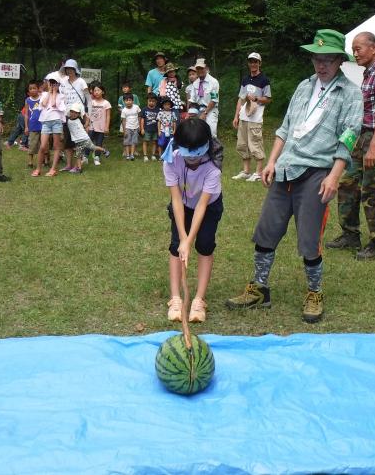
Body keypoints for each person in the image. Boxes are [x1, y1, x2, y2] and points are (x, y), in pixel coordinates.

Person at [226, 29, 362, 324]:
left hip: (317, 172)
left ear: (340, 60)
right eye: (317, 58)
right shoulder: (304, 86)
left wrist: (334, 176)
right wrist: (271, 161)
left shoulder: (350, 93)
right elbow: (285, 128)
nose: (321, 65)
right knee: (267, 230)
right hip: (285, 169)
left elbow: (348, 139)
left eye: (328, 59)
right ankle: (260, 288)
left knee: (310, 238)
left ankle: (314, 292)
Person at [327, 31, 375, 259]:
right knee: (347, 184)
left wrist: (374, 145)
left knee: (373, 190)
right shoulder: (368, 74)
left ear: (373, 48)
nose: (355, 53)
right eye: (353, 49)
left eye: (359, 49)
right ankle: (350, 234)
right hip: (360, 136)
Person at [162, 118, 223, 323]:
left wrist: (190, 241)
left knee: (204, 246)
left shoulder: (213, 168)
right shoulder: (171, 160)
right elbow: (176, 199)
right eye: (189, 157)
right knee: (176, 246)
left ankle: (198, 299)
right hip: (183, 205)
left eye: (196, 157)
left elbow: (202, 206)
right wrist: (183, 238)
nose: (192, 161)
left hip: (208, 206)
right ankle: (176, 298)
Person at [232, 52, 272, 182]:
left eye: (255, 62)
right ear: (248, 63)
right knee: (242, 144)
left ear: (260, 63)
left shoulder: (264, 80)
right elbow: (241, 99)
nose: (253, 64)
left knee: (255, 144)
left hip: (255, 118)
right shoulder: (245, 79)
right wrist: (236, 116)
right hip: (244, 117)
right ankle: (246, 171)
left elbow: (268, 99)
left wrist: (256, 98)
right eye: (251, 61)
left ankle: (258, 172)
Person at [34, 75, 67, 177]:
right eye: (50, 83)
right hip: (46, 122)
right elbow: (43, 104)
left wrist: (54, 92)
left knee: (56, 146)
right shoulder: (44, 94)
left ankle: (53, 169)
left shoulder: (61, 96)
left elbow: (53, 104)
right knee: (43, 146)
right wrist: (49, 91)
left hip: (56, 121)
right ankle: (38, 169)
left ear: (58, 85)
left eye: (54, 83)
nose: (52, 85)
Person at [59, 58, 89, 169]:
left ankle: (78, 165)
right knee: (67, 142)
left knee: (78, 141)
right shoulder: (63, 82)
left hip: (78, 115)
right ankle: (68, 165)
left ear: (75, 69)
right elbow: (61, 98)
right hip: (66, 115)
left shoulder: (81, 81)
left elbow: (88, 99)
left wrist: (87, 114)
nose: (69, 71)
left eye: (71, 69)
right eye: (67, 69)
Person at [65, 103, 109, 173]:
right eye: (72, 112)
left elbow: (86, 121)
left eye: (76, 113)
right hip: (77, 141)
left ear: (79, 114)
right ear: (69, 111)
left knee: (93, 148)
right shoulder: (68, 120)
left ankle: (104, 150)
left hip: (85, 139)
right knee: (78, 155)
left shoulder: (80, 120)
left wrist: (87, 121)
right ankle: (79, 169)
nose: (73, 114)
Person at [193, 58, 220, 137]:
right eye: (198, 68)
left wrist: (205, 113)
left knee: (211, 133)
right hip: (198, 111)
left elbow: (214, 100)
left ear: (207, 69)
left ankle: (213, 149)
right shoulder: (195, 83)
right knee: (198, 135)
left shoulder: (214, 82)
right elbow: (193, 100)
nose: (199, 70)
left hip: (210, 111)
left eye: (201, 68)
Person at [87, 84, 111, 166]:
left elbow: (108, 116)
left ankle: (97, 157)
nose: (96, 92)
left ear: (103, 92)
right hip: (91, 126)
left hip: (101, 127)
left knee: (99, 143)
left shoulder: (106, 103)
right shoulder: (91, 102)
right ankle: (85, 157)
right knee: (88, 142)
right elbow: (88, 114)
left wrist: (107, 127)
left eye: (98, 90)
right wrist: (87, 125)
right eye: (95, 91)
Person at [23, 81, 43, 169]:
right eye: (30, 89)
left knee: (44, 144)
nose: (32, 90)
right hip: (32, 125)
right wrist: (26, 127)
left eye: (34, 88)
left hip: (43, 125)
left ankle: (45, 160)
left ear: (38, 89)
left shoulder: (42, 98)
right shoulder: (27, 100)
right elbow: (26, 114)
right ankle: (30, 161)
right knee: (32, 143)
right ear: (28, 91)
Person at [120, 93, 141, 160]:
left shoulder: (136, 107)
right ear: (124, 101)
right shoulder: (124, 110)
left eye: (130, 100)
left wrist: (139, 126)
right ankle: (127, 155)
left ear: (132, 100)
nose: (128, 102)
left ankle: (132, 154)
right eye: (126, 100)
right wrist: (124, 130)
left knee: (133, 142)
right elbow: (123, 121)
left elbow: (139, 116)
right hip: (128, 128)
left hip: (136, 127)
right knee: (127, 142)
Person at [140, 93, 160, 161]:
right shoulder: (144, 109)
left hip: (155, 129)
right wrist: (142, 128)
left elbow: (159, 121)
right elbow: (142, 120)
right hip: (146, 129)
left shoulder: (158, 110)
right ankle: (145, 156)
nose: (151, 102)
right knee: (145, 142)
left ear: (156, 102)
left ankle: (153, 155)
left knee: (154, 142)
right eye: (150, 101)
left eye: (153, 101)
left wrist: (159, 130)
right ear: (147, 101)